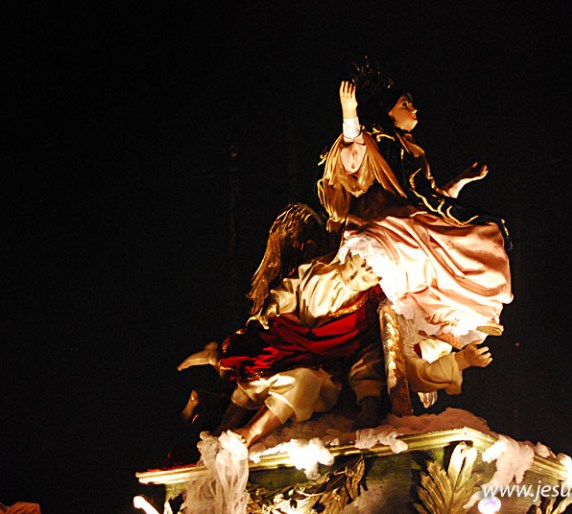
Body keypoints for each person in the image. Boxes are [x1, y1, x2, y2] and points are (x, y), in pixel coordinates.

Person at [317, 81, 513, 348]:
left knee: (483, 235)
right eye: (404, 104)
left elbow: (428, 197)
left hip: (413, 215)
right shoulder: (378, 138)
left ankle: (467, 312)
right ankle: (461, 311)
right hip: (384, 216)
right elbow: (354, 162)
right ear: (388, 112)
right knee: (458, 239)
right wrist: (350, 114)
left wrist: (459, 181)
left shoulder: (413, 149)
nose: (413, 109)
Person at [178, 251, 386, 447]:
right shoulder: (320, 269)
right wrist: (275, 304)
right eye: (353, 267)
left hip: (324, 367)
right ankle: (226, 424)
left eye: (365, 277)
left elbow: (366, 359)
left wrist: (369, 400)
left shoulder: (368, 310)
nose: (354, 277)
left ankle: (252, 431)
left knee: (303, 380)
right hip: (291, 342)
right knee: (259, 363)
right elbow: (291, 289)